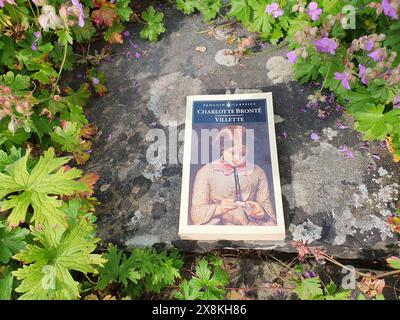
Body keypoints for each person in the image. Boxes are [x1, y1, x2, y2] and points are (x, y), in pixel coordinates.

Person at [190, 125, 276, 226]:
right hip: (220, 225)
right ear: (222, 148)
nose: (237, 158)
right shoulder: (206, 172)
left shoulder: (257, 172)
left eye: (243, 153)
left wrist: (260, 210)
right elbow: (196, 213)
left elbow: (265, 203)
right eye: (232, 152)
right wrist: (220, 208)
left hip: (251, 225)